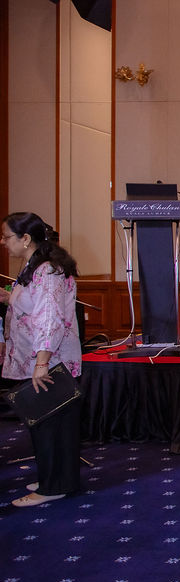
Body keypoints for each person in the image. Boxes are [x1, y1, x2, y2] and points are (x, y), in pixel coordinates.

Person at [1, 212, 82, 508]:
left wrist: (41, 363)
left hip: (50, 361)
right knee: (47, 423)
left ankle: (53, 486)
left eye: (7, 236)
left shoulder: (47, 270)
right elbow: (32, 304)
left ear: (25, 239)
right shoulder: (34, 266)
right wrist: (8, 298)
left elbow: (49, 318)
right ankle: (59, 478)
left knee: (49, 425)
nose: (3, 242)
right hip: (41, 358)